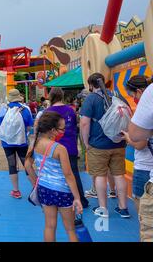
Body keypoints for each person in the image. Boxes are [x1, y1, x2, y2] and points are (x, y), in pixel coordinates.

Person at [24, 111, 83, 242]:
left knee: (50, 226)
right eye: (62, 129)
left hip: (44, 189)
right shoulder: (60, 149)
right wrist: (77, 198)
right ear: (52, 130)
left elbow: (27, 164)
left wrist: (35, 183)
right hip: (63, 191)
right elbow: (68, 175)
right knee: (70, 229)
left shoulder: (35, 143)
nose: (63, 131)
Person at [80, 73, 129, 218]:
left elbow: (84, 123)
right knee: (119, 175)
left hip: (98, 144)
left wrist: (86, 142)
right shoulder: (118, 95)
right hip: (118, 142)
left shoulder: (91, 99)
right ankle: (123, 208)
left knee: (100, 175)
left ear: (91, 85)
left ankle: (103, 209)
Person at [42, 88, 89, 208]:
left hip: (54, 148)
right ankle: (81, 199)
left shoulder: (48, 112)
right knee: (73, 174)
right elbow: (74, 126)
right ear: (62, 96)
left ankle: (56, 199)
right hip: (70, 146)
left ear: (51, 97)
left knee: (55, 173)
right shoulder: (70, 110)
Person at [127, 81, 153, 242]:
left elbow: (139, 139)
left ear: (139, 91)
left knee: (146, 224)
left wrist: (128, 138)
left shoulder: (149, 96)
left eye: (133, 95)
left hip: (145, 168)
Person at [0, 89, 34, 199]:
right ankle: (35, 188)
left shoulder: (4, 108)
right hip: (22, 142)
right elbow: (29, 126)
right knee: (27, 164)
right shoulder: (25, 109)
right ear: (19, 97)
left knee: (12, 165)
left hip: (7, 143)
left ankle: (16, 191)